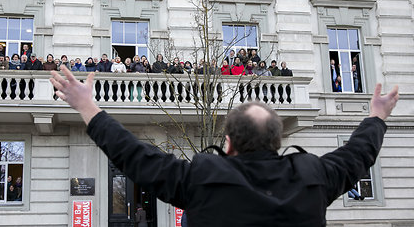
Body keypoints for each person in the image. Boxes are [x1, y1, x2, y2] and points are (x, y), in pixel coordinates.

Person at [50, 66, 398, 226]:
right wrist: (377, 116)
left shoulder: (201, 178)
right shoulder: (316, 176)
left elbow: (134, 154)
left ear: (227, 142)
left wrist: (88, 107)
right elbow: (359, 154)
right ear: (277, 141)